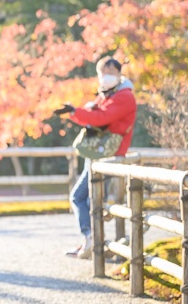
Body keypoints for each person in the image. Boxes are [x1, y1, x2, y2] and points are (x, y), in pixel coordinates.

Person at [53, 56, 137, 259]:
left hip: (108, 155)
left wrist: (76, 112)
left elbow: (101, 118)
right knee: (90, 199)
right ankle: (91, 241)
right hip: (99, 153)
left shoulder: (124, 96)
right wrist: (77, 111)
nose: (107, 77)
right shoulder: (107, 94)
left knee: (82, 197)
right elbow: (94, 114)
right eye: (103, 74)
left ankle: (91, 239)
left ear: (119, 74)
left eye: (111, 73)